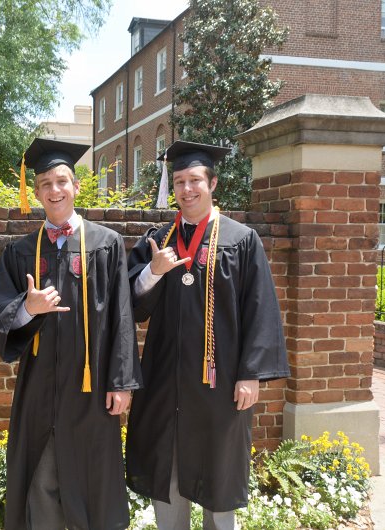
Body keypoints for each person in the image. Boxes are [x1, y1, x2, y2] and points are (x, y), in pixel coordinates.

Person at [125, 141, 290, 530]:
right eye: (179, 181)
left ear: (213, 183)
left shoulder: (241, 239)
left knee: (217, 475)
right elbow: (131, 306)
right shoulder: (158, 240)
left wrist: (252, 373)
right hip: (165, 380)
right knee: (169, 469)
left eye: (195, 180)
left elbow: (260, 308)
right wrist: (153, 272)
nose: (187, 189)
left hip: (221, 382)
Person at [0, 138, 143, 530]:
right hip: (39, 391)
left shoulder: (107, 245)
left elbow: (122, 316)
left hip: (93, 388)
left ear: (76, 186)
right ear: (35, 192)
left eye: (62, 181)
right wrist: (26, 309)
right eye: (46, 184)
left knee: (92, 483)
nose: (55, 191)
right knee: (42, 482)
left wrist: (122, 384)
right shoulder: (20, 252)